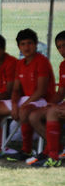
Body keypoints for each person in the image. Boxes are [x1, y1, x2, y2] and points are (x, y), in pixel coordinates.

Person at [0, 29, 55, 162]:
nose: (26, 47)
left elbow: (41, 91)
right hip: (26, 99)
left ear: (36, 44)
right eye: (23, 44)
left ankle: (27, 150)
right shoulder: (20, 63)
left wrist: (23, 104)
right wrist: (14, 104)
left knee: (24, 111)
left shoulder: (42, 61)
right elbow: (16, 89)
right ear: (19, 46)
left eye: (29, 43)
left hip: (43, 100)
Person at [26, 30, 65, 167]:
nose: (62, 50)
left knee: (52, 112)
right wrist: (50, 103)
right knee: (34, 116)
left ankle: (53, 157)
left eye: (64, 46)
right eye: (59, 47)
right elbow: (61, 92)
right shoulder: (63, 66)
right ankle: (56, 148)